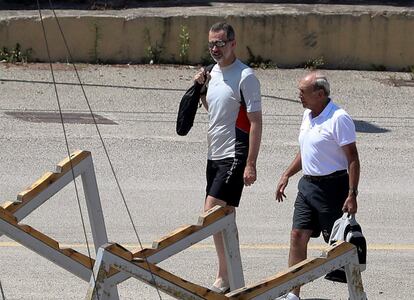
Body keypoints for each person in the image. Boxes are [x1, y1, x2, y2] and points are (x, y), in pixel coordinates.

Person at [275, 72, 360, 300]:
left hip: (333, 189)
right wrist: (287, 175)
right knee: (297, 235)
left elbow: (352, 158)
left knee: (340, 246)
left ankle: (357, 294)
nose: (299, 96)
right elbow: (306, 151)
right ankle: (293, 293)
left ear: (320, 94)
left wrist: (352, 194)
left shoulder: (339, 118)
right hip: (308, 187)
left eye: (303, 92)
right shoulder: (308, 115)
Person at [193, 22, 262, 293]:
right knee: (225, 215)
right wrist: (200, 91)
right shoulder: (212, 73)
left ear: (233, 43)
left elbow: (255, 122)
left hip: (235, 154)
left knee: (210, 212)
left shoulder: (246, 76)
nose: (215, 48)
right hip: (214, 154)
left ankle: (224, 274)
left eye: (220, 43)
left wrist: (251, 163)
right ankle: (231, 272)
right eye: (211, 44)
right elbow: (216, 110)